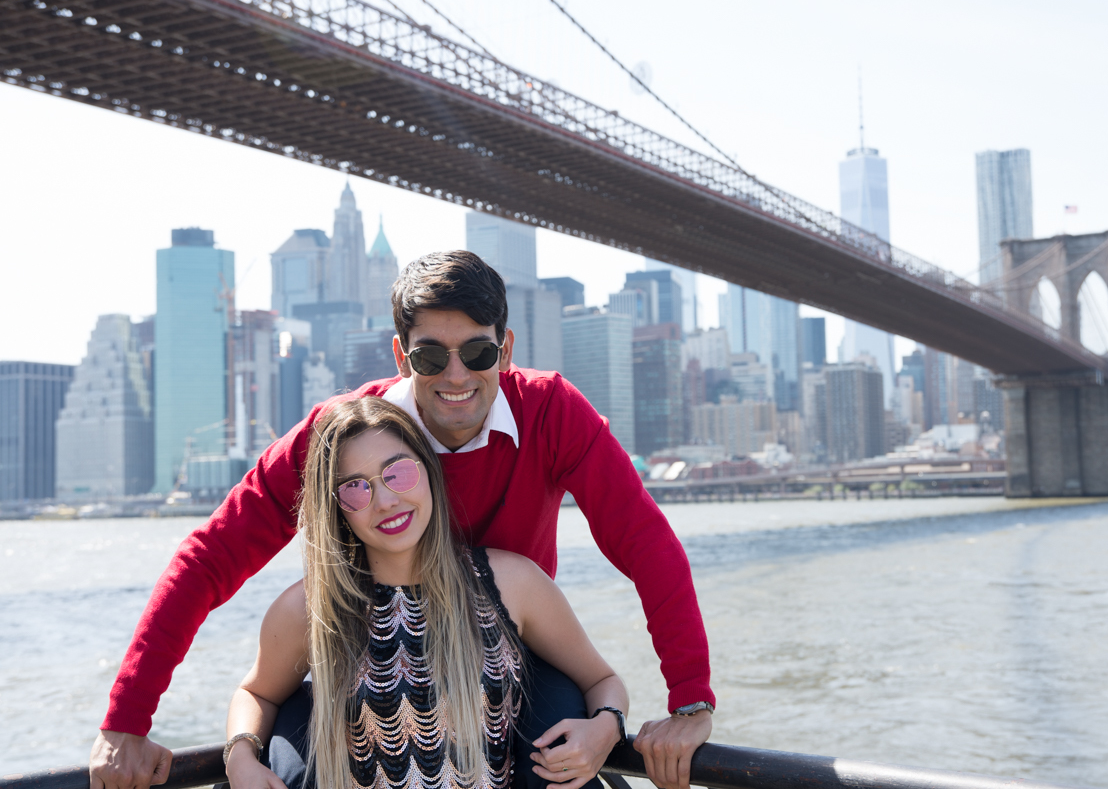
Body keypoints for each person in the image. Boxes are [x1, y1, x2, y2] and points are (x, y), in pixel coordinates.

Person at [90, 251, 714, 789]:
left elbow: (644, 543)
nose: (456, 376)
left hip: (509, 656)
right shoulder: (340, 435)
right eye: (429, 355)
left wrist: (689, 699)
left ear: (507, 347)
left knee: (557, 762)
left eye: (478, 351)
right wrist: (126, 722)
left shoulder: (552, 412)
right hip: (361, 657)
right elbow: (210, 557)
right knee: (289, 768)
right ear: (398, 353)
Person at [224, 397, 628, 789]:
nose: (385, 501)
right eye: (356, 489)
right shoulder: (311, 607)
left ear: (428, 470)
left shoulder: (512, 584)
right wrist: (240, 756)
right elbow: (256, 692)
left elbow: (602, 680)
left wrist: (605, 729)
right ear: (336, 509)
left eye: (398, 473)